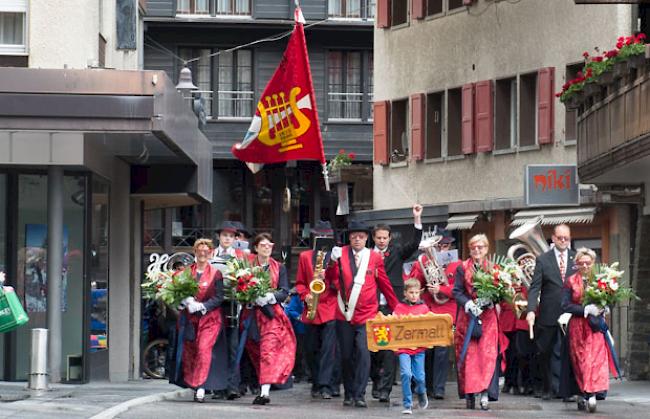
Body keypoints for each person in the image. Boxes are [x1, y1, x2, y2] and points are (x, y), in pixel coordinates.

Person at [326, 220, 399, 408]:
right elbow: (330, 279)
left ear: (367, 238)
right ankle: (349, 393)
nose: (357, 239)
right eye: (354, 236)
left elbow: (384, 283)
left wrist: (397, 308)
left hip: (367, 315)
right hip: (344, 313)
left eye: (361, 236)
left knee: (363, 354)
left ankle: (359, 394)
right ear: (349, 238)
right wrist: (332, 263)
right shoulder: (340, 253)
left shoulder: (374, 257)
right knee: (346, 356)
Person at [370, 204, 423, 402]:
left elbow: (414, 244)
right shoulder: (368, 255)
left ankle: (385, 389)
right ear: (374, 238)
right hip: (372, 306)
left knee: (391, 350)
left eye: (385, 237)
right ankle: (375, 381)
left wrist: (417, 219)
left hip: (392, 306)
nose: (382, 240)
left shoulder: (397, 253)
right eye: (379, 238)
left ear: (389, 238)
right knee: (373, 349)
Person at [452, 234, 508, 411]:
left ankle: (485, 393)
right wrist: (468, 303)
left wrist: (493, 300)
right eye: (474, 247)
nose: (477, 250)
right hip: (468, 318)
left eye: (481, 247)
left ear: (487, 249)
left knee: (488, 355)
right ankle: (470, 393)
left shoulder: (494, 268)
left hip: (488, 318)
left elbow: (502, 293)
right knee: (470, 356)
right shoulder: (462, 268)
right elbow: (457, 291)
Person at [240, 233, 296, 405]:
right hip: (251, 314)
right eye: (263, 245)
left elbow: (285, 291)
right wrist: (250, 295)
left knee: (268, 350)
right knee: (254, 350)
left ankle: (264, 392)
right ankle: (259, 382)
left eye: (269, 245)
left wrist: (269, 296)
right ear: (256, 248)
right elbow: (239, 288)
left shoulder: (279, 267)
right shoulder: (246, 266)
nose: (266, 248)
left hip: (271, 315)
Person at [170, 238, 226, 403]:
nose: (203, 253)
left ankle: (201, 388)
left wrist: (202, 306)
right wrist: (186, 301)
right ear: (195, 252)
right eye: (199, 250)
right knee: (191, 352)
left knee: (203, 350)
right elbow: (176, 294)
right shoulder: (186, 273)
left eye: (206, 251)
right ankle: (193, 384)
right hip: (189, 320)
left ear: (211, 253)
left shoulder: (216, 274)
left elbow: (219, 297)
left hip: (210, 320)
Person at [561, 248, 614, 413]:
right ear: (576, 264)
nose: (584, 265)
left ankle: (592, 393)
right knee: (581, 361)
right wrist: (585, 309)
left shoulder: (601, 280)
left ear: (593, 263)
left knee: (594, 360)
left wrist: (603, 306)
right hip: (577, 327)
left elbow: (610, 300)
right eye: (581, 263)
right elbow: (565, 305)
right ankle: (582, 393)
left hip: (595, 327)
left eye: (588, 262)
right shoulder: (570, 281)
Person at [526, 224, 576, 400]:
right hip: (548, 313)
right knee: (546, 352)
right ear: (553, 238)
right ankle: (548, 387)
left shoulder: (576, 258)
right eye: (560, 238)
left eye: (566, 238)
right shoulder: (543, 259)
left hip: (570, 313)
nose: (563, 241)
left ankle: (563, 390)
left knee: (566, 352)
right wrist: (531, 310)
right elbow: (535, 288)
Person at [295, 220, 340, 399]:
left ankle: (325, 385)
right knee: (311, 349)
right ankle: (316, 381)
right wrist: (304, 294)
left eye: (326, 236)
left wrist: (328, 275)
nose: (322, 238)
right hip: (311, 308)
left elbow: (339, 283)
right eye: (319, 235)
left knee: (329, 349)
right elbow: (299, 283)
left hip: (330, 307)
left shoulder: (335, 258)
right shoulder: (305, 256)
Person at [409, 235, 457, 400]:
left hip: (447, 313)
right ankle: (424, 385)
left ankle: (439, 388)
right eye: (438, 246)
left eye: (444, 246)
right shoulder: (422, 262)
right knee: (426, 351)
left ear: (450, 246)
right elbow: (413, 283)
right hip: (427, 311)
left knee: (442, 351)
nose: (441, 249)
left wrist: (441, 290)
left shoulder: (457, 264)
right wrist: (423, 274)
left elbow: (459, 289)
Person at [210, 220, 246, 400]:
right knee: (217, 346)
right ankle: (218, 386)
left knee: (233, 347)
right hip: (214, 305)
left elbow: (247, 278)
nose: (227, 238)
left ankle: (232, 386)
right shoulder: (210, 254)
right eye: (224, 235)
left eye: (231, 236)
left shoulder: (241, 256)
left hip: (233, 304)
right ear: (219, 236)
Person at [393, 278, 430, 415]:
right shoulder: (399, 308)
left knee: (420, 377)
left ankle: (421, 392)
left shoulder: (424, 308)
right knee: (406, 374)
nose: (414, 295)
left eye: (416, 292)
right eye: (411, 292)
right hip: (403, 348)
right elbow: (393, 325)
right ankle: (407, 403)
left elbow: (430, 326)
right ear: (405, 293)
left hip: (419, 348)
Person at [284, 287, 308, 383]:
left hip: (311, 327)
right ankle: (300, 373)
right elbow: (290, 309)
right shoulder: (297, 295)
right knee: (300, 351)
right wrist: (299, 317)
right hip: (300, 328)